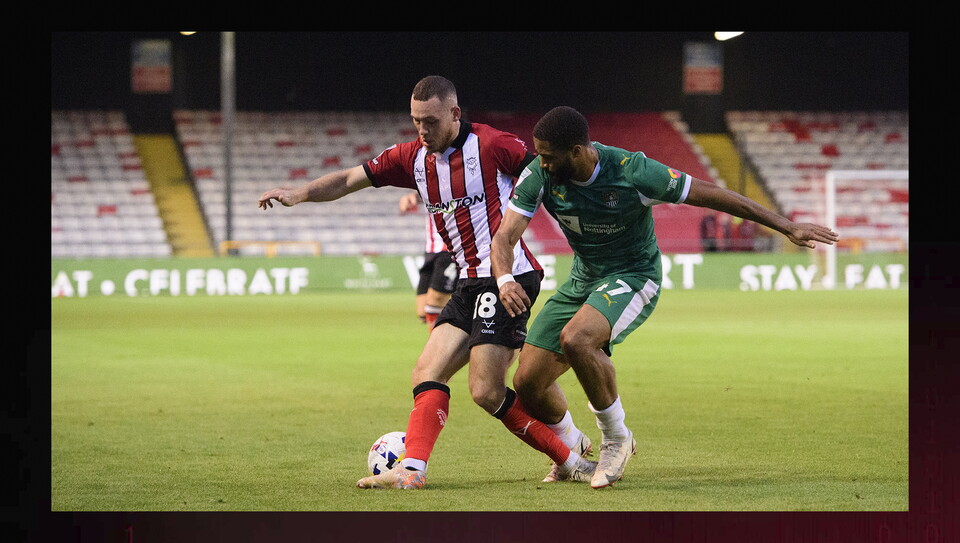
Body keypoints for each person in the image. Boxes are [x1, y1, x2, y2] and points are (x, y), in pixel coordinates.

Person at [258, 77, 596, 490]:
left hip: (507, 278)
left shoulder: (492, 145)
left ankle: (569, 459)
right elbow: (350, 179)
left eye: (431, 121)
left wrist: (586, 227)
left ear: (455, 114)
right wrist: (299, 194)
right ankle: (412, 471)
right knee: (426, 373)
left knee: (486, 391)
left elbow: (546, 175)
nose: (422, 130)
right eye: (416, 120)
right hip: (468, 284)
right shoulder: (411, 158)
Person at [491, 106, 839, 489]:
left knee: (578, 339)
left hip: (633, 275)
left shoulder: (631, 171)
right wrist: (505, 278)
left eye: (548, 155)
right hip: (583, 279)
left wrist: (786, 226)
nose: (541, 162)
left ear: (576, 151)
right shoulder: (539, 175)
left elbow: (712, 196)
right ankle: (574, 446)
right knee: (528, 383)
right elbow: (505, 236)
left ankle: (617, 438)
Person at [399, 191, 458, 330]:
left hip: (451, 247)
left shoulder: (460, 176)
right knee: (423, 311)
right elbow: (425, 191)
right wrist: (412, 196)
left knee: (436, 301)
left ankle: (442, 350)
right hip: (431, 249)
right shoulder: (430, 175)